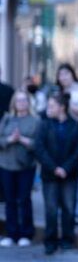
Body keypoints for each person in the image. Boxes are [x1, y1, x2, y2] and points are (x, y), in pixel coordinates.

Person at [34, 92, 78, 254]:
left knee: (69, 208)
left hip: (69, 175)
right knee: (51, 209)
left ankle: (67, 240)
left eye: (52, 106)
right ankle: (50, 241)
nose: (48, 109)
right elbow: (39, 148)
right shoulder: (44, 125)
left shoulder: (76, 126)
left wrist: (66, 168)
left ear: (62, 107)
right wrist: (54, 168)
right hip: (50, 174)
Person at [0, 90, 39, 247]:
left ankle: (26, 233)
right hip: (6, 165)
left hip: (26, 166)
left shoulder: (35, 121)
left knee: (24, 199)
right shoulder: (7, 119)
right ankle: (11, 233)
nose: (21, 103)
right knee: (9, 200)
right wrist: (10, 139)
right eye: (18, 100)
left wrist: (22, 139)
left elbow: (39, 143)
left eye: (24, 100)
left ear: (28, 103)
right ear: (14, 103)